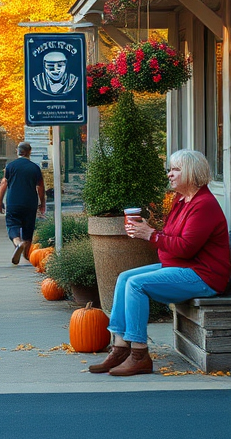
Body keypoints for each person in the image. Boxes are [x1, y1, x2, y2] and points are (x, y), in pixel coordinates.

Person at [89, 149, 231, 377]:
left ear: (192, 173)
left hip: (204, 275)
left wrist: (151, 235)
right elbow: (171, 235)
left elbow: (185, 248)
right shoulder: (182, 200)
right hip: (182, 268)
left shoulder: (203, 204)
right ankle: (119, 348)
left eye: (176, 170)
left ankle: (139, 354)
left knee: (136, 284)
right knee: (125, 277)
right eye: (170, 169)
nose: (170, 175)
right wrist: (146, 229)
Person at [0, 141, 46, 264]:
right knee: (28, 228)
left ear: (17, 151)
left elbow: (4, 183)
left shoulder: (10, 166)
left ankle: (18, 243)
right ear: (29, 152)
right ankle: (27, 255)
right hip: (30, 202)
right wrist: (43, 203)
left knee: (12, 225)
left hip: (13, 201)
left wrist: (0, 201)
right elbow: (40, 186)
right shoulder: (35, 168)